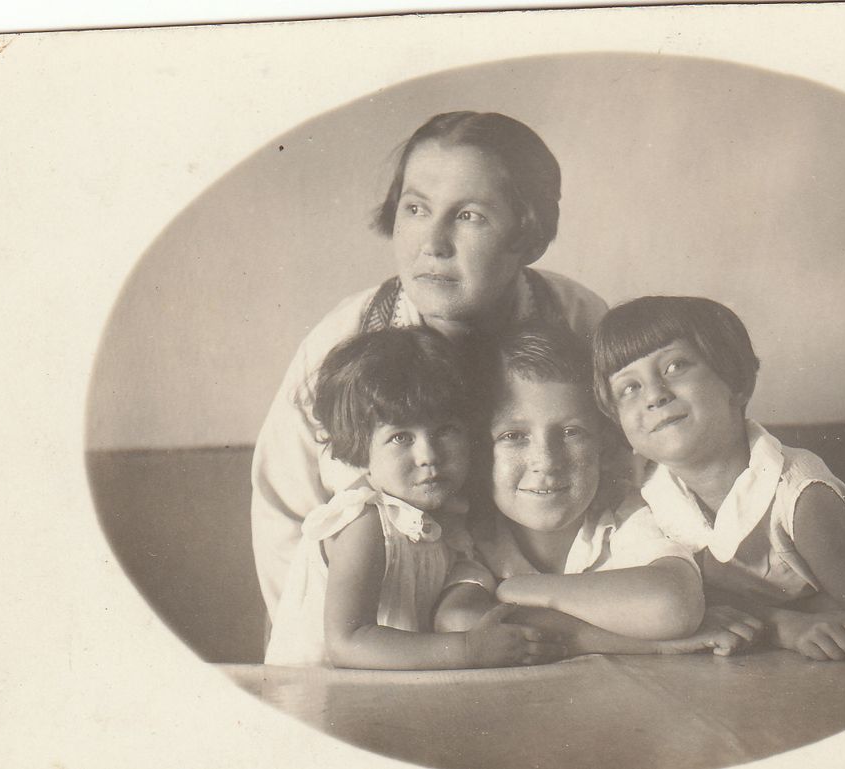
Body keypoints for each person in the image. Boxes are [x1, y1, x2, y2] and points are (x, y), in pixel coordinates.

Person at [252, 111, 607, 615]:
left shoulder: (579, 321)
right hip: (381, 632)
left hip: (561, 614)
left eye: (469, 217)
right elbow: (285, 521)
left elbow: (637, 480)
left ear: (528, 236)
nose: (432, 244)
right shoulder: (341, 341)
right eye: (416, 209)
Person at [591, 296, 845, 662]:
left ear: (736, 383)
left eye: (675, 366)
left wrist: (773, 625)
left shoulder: (799, 493)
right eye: (629, 388)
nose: (654, 395)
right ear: (620, 425)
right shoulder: (647, 499)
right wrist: (781, 624)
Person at [435, 324, 755, 656]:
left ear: (603, 444)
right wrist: (649, 642)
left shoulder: (624, 511)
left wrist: (521, 589)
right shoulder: (472, 534)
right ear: (478, 450)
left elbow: (675, 604)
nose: (546, 462)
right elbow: (460, 620)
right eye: (514, 436)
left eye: (571, 432)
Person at [264, 327, 564, 669]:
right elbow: (347, 642)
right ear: (361, 447)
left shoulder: (443, 518)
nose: (428, 456)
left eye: (445, 431)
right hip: (320, 687)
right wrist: (467, 648)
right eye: (401, 437)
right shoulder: (366, 523)